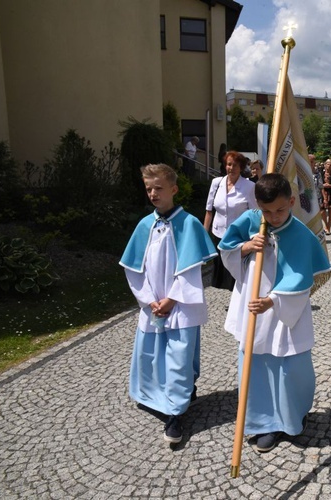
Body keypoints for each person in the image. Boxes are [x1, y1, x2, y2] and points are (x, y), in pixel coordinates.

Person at [218, 173, 331, 453]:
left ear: (292, 201)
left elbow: (303, 277)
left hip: (284, 312)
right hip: (253, 308)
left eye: (280, 209)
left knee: (292, 369)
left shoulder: (301, 235)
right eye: (267, 211)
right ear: (257, 205)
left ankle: (293, 418)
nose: (274, 216)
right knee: (256, 367)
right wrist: (246, 246)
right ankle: (263, 423)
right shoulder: (250, 222)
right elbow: (226, 250)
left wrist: (274, 301)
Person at [120, 163, 217, 443]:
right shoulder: (144, 225)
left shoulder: (189, 224)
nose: (153, 193)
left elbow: (191, 269)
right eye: (148, 188)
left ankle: (176, 413)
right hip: (152, 306)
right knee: (150, 355)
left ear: (173, 189)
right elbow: (133, 268)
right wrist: (149, 300)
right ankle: (156, 396)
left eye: (158, 188)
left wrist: (172, 299)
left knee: (178, 359)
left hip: (180, 306)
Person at [203, 151, 258, 291]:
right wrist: (204, 233)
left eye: (235, 165)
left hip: (238, 236)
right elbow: (209, 210)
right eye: (228, 164)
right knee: (222, 269)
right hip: (219, 233)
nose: (231, 168)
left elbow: (254, 213)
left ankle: (239, 296)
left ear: (241, 167)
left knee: (237, 268)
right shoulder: (216, 183)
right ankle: (234, 295)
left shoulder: (249, 186)